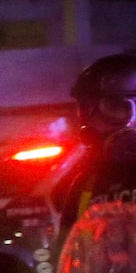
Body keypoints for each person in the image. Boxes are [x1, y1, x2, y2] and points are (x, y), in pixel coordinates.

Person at [51, 50, 136, 236]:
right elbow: (67, 252)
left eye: (114, 108)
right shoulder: (86, 183)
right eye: (85, 109)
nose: (93, 122)